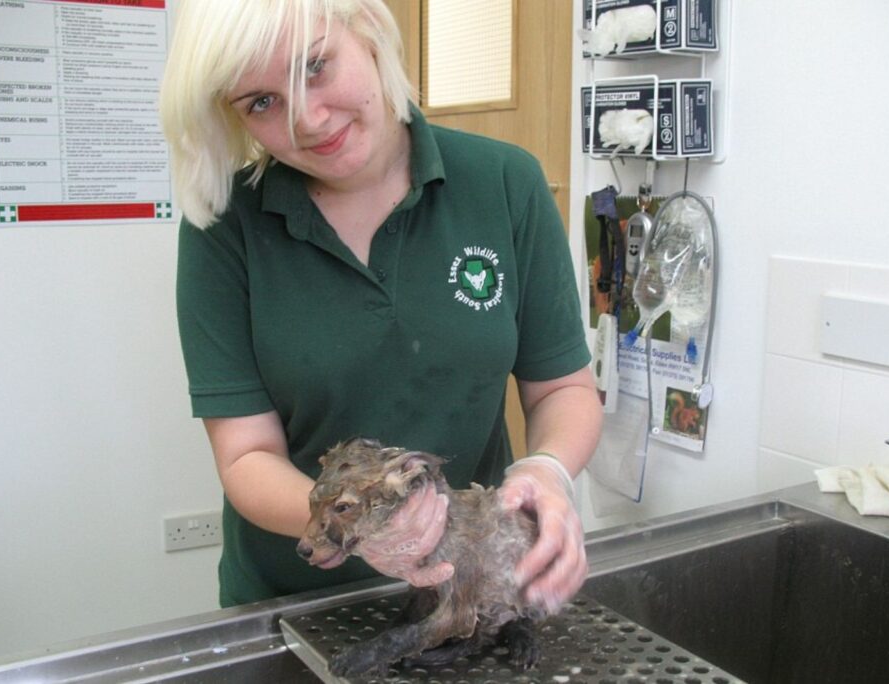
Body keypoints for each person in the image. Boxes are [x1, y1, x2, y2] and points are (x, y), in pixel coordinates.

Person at [160, 0, 603, 615]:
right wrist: (361, 526)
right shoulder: (224, 226)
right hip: (294, 604)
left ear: (366, 30)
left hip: (468, 589)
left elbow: (563, 389)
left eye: (315, 67)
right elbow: (245, 455)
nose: (307, 120)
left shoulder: (505, 183)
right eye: (261, 102)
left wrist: (549, 468)